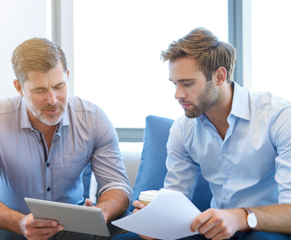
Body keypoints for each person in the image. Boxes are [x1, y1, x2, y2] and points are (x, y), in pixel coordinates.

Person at [112, 28, 291, 240]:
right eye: (175, 84)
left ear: (219, 76)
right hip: (212, 232)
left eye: (187, 83)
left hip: (264, 229)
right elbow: (175, 198)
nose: (178, 94)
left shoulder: (278, 117)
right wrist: (157, 222)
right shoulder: (183, 128)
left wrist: (241, 217)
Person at [0, 37, 132, 240]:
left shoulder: (93, 119)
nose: (52, 100)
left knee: (130, 231)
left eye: (59, 86)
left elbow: (117, 186)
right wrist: (20, 223)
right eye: (40, 90)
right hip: (10, 224)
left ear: (67, 76)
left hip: (73, 227)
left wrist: (103, 211)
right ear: (19, 87)